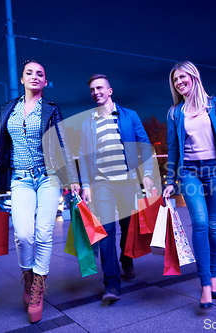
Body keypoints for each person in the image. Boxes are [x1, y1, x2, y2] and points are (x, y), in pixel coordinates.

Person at [0, 60, 80, 324]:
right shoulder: (7, 110)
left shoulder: (51, 109)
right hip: (20, 179)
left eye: (40, 74)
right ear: (22, 79)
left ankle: (38, 287)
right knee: (24, 235)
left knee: (44, 233)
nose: (35, 77)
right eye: (30, 73)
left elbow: (63, 143)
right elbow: (0, 146)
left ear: (45, 81)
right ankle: (28, 276)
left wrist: (72, 178)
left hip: (48, 177)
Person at [163, 61, 216, 309]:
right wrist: (169, 180)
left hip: (215, 170)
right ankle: (205, 283)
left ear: (194, 77)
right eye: (175, 80)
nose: (178, 82)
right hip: (189, 172)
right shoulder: (175, 112)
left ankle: (214, 273)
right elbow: (173, 149)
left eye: (182, 77)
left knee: (214, 225)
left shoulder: (214, 104)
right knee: (199, 222)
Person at [78, 74, 154, 302]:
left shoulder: (129, 116)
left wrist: (147, 174)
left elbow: (144, 146)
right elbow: (83, 156)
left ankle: (127, 259)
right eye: (92, 89)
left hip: (128, 182)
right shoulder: (88, 122)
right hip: (102, 184)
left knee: (128, 227)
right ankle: (111, 284)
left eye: (100, 88)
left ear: (110, 91)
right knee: (106, 232)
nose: (96, 92)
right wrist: (86, 185)